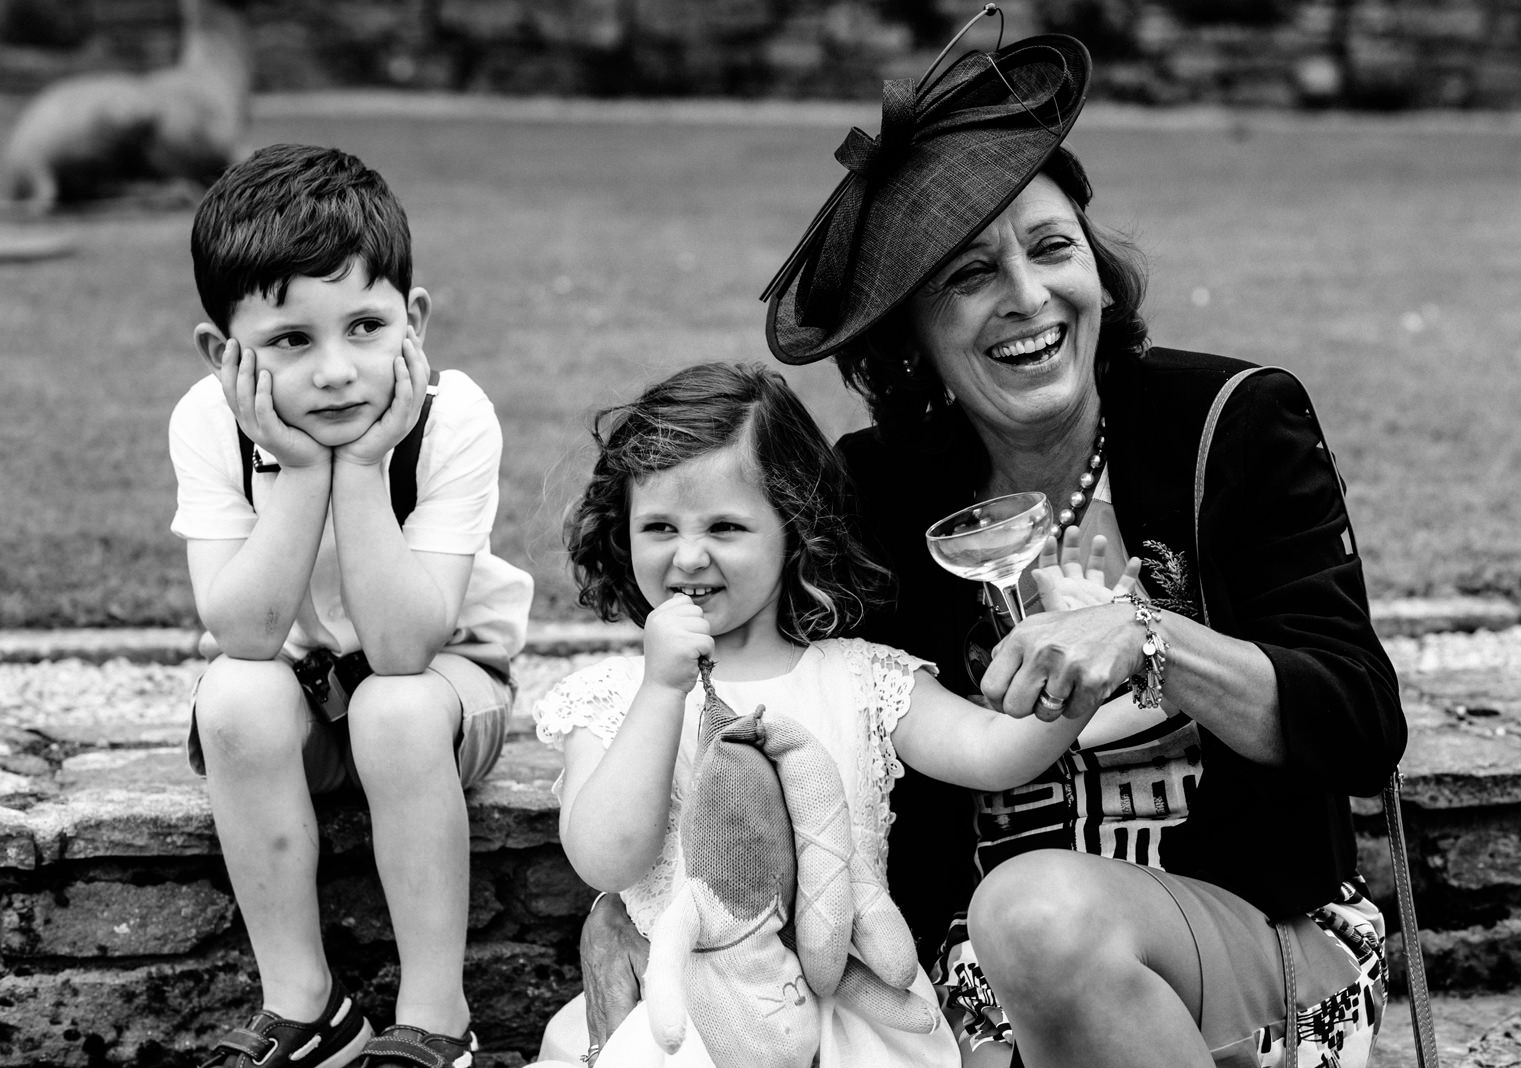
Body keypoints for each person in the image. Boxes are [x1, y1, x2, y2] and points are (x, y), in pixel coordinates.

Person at [586, 19, 1407, 1068]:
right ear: (914, 333)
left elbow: (1359, 724)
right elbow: (799, 697)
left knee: (1035, 915)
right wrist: (645, 902)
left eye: (1052, 248)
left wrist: (1150, 640)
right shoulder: (878, 486)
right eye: (970, 275)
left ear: (1098, 272)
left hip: (1264, 954)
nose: (1027, 297)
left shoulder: (1231, 422)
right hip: (975, 989)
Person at [531, 361, 1150, 1068]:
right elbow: (604, 857)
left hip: (855, 1027)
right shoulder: (613, 696)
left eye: (727, 526)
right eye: (660, 526)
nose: (689, 554)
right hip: (678, 1026)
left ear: (793, 526)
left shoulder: (860, 676)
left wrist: (1073, 673)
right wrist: (659, 692)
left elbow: (991, 750)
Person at [169, 143, 534, 1068]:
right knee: (234, 697)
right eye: (292, 340)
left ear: (413, 320)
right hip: (304, 685)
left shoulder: (453, 418)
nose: (336, 371)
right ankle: (308, 1008)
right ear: (224, 355)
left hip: (443, 687)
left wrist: (366, 467)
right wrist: (295, 470)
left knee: (395, 704)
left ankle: (436, 1021)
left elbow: (410, 647)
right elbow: (245, 632)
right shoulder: (207, 422)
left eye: (363, 327)